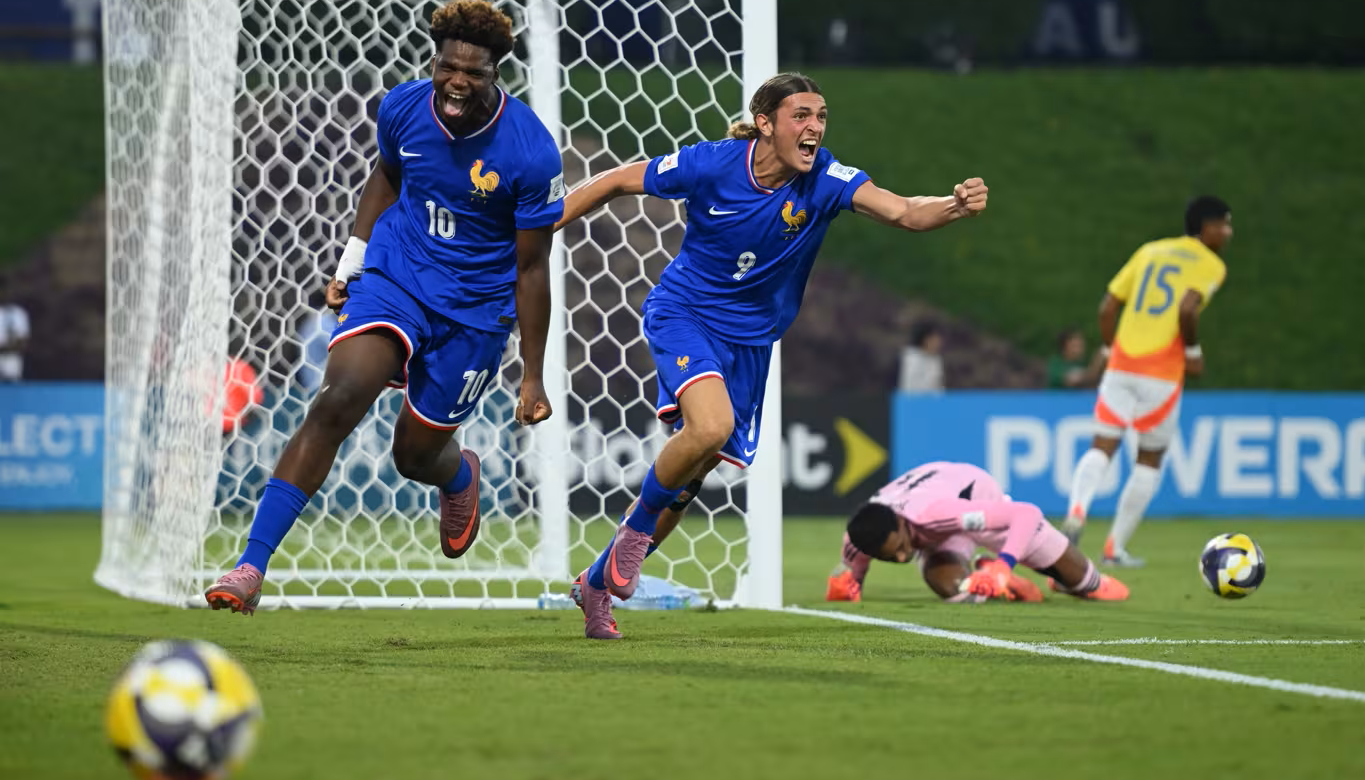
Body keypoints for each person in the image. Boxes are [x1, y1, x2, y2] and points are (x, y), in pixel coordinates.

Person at [554, 72, 989, 638]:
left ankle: (595, 584)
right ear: (765, 124)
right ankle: (631, 540)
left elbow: (905, 211)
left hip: (751, 343)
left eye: (821, 116)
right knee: (710, 428)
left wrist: (954, 205)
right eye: (800, 115)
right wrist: (541, 224)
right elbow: (617, 179)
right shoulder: (712, 163)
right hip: (685, 314)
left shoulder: (826, 178)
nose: (815, 127)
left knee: (691, 476)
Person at [205, 1, 564, 614]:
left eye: (473, 73)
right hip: (397, 277)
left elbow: (531, 269)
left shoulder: (530, 150)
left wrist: (532, 373)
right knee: (338, 398)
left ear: (496, 73)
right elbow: (388, 176)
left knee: (413, 456)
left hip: (474, 310)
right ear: (435, 61)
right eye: (447, 67)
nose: (456, 81)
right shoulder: (402, 107)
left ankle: (458, 476)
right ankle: (250, 567)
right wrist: (351, 262)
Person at [1061, 196, 1232, 566]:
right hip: (1162, 373)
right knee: (1149, 459)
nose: (1228, 233)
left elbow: (1107, 308)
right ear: (1207, 227)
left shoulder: (1149, 251)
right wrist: (1192, 352)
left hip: (1121, 365)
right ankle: (1113, 548)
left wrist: (1111, 349)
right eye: (1224, 224)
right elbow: (1187, 309)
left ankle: (1077, 510)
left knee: (1101, 446)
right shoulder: (1211, 265)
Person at [826, 462, 1129, 603]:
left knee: (1092, 587)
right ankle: (1000, 583)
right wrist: (847, 589)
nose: (905, 557)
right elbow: (849, 582)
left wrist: (1004, 565)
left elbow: (1026, 513)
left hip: (980, 506)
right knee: (954, 590)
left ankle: (1001, 574)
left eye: (902, 546)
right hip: (943, 523)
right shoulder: (859, 537)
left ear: (902, 523)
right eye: (891, 557)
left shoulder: (935, 514)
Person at [898, 320, 945, 393]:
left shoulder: (935, 360)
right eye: (936, 338)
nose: (939, 342)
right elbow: (911, 389)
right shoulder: (911, 360)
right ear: (926, 340)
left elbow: (939, 389)